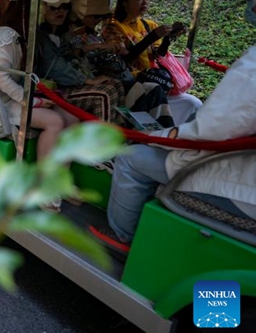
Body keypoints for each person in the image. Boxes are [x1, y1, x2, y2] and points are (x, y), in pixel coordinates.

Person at [91, 41, 256, 256]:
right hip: (240, 170)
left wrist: (154, 137)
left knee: (131, 157)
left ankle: (123, 237)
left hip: (240, 186)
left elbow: (211, 128)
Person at [0, 0, 79, 162]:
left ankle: (60, 177)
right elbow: (2, 81)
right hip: (0, 101)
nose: (47, 9)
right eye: (44, 4)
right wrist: (32, 101)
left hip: (21, 96)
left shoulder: (29, 35)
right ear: (27, 7)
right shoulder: (3, 37)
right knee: (54, 121)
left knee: (71, 118)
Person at [68, 0, 175, 127]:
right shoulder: (75, 34)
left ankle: (166, 131)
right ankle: (134, 132)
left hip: (119, 75)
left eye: (102, 16)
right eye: (96, 16)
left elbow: (145, 54)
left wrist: (117, 49)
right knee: (136, 91)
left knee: (154, 89)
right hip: (98, 78)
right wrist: (100, 46)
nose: (99, 20)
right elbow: (75, 52)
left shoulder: (94, 33)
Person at [102, 0, 201, 124]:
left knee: (193, 103)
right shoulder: (113, 26)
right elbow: (125, 57)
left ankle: (179, 136)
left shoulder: (148, 24)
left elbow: (158, 54)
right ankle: (164, 136)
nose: (145, 2)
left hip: (152, 79)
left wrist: (167, 38)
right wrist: (152, 37)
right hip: (131, 83)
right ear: (125, 2)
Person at [36, 0, 124, 124]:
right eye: (54, 8)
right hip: (53, 87)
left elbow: (73, 53)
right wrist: (87, 80)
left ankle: (119, 130)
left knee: (116, 83)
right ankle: (101, 142)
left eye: (64, 7)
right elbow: (55, 66)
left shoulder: (63, 34)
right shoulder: (42, 36)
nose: (60, 11)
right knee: (105, 93)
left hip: (70, 81)